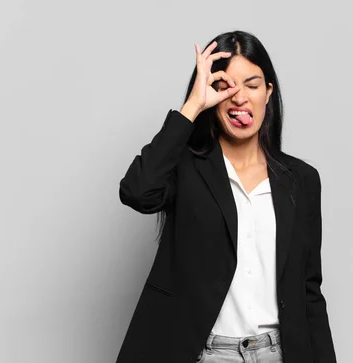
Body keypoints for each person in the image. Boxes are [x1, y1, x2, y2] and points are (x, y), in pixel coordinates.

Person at [116, 30, 337, 363]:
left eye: (251, 85)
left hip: (278, 353)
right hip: (202, 354)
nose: (239, 98)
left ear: (268, 93)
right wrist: (191, 106)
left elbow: (309, 292)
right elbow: (137, 191)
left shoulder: (302, 181)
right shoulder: (185, 168)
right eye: (225, 87)